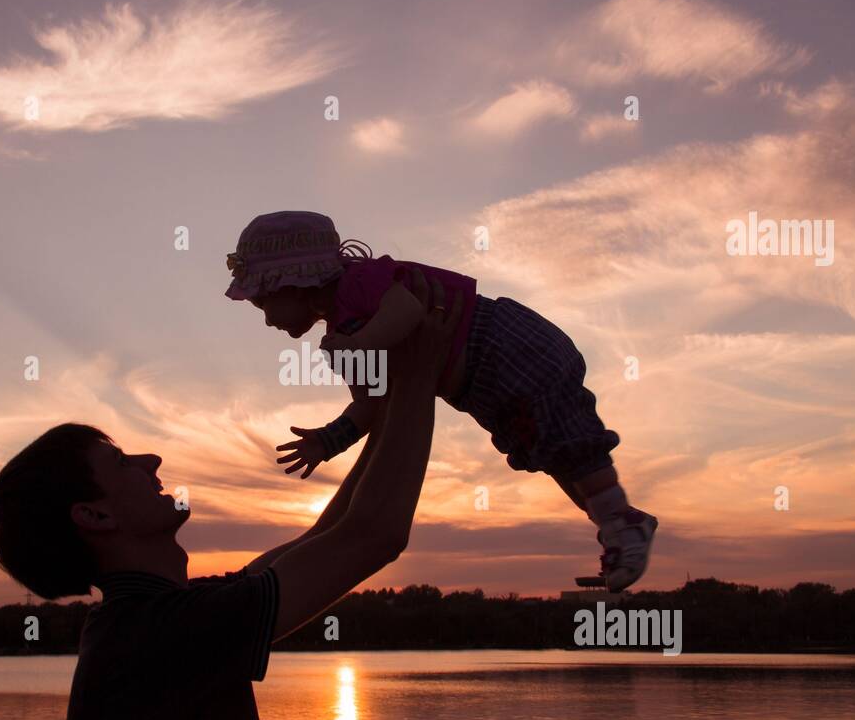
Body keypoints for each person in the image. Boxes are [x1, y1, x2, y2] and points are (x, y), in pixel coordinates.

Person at [0, 271, 461, 720]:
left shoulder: (151, 618)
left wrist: (390, 403)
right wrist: (418, 378)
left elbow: (329, 535)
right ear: (94, 516)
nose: (152, 460)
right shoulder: (166, 630)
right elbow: (375, 535)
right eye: (121, 463)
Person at [225, 210, 657, 592]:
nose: (266, 319)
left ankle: (621, 522)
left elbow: (407, 311)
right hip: (481, 389)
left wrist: (361, 344)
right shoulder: (342, 335)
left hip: (503, 347)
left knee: (570, 446)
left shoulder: (361, 283)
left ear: (296, 282)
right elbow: (372, 405)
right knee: (554, 457)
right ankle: (619, 524)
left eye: (265, 302)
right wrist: (327, 440)